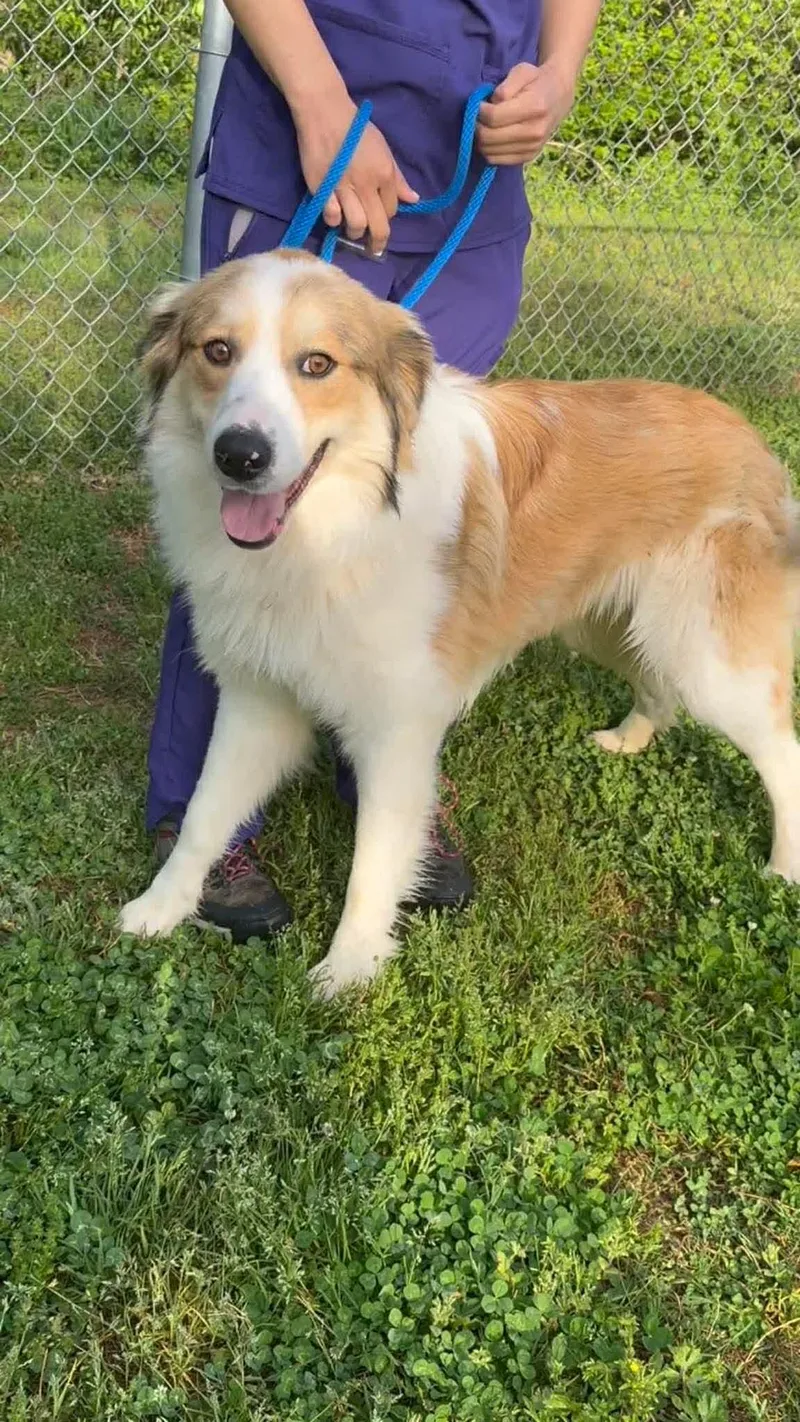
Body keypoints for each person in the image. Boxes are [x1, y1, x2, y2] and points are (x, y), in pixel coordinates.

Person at [146, 0, 603, 941]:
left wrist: (559, 73)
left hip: (474, 169)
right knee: (242, 498)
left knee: (414, 515)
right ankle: (205, 820)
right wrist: (319, 102)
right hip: (300, 133)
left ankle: (388, 772)